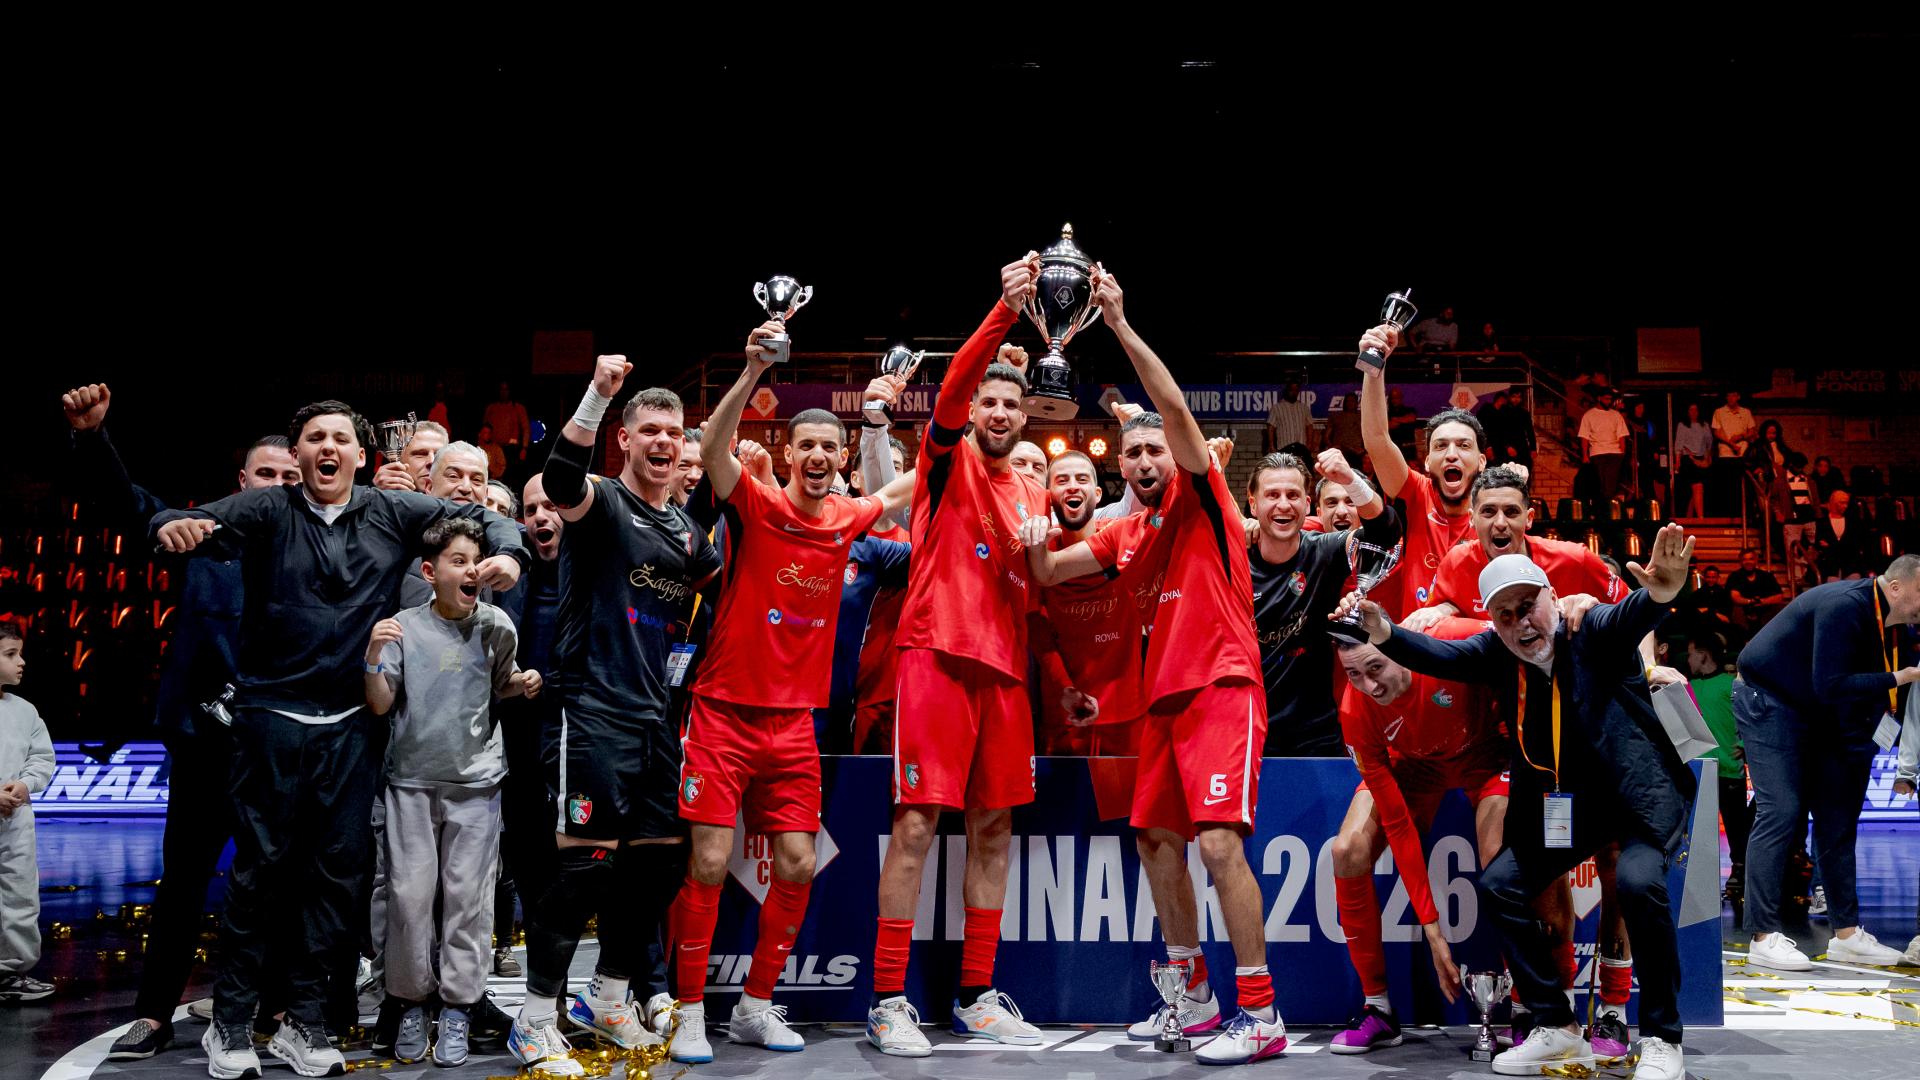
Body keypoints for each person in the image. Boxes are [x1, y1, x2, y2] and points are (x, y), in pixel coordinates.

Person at [151, 400, 527, 1080]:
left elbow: (485, 519)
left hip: (351, 725)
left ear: (361, 455)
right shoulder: (268, 509)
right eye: (315, 437)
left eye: (340, 438)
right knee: (259, 875)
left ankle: (306, 1019)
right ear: (298, 454)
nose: (328, 447)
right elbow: (178, 517)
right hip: (271, 718)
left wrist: (509, 554)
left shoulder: (391, 511)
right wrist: (166, 525)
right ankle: (231, 1021)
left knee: (335, 881)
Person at [1023, 263, 1288, 1066]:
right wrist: (1029, 526)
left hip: (1221, 685)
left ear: (1175, 454)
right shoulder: (1122, 534)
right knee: (1155, 842)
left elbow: (1171, 406)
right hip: (1162, 701)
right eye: (1130, 452)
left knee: (1218, 844)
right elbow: (1047, 571)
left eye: (1153, 449)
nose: (1142, 459)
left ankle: (1262, 1013)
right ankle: (1194, 999)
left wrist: (1119, 324)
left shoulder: (1204, 498)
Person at [1341, 526, 1701, 1080]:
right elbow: (1438, 654)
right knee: (1501, 884)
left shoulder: (1591, 629)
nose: (1521, 623)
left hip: (1637, 801)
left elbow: (1634, 614)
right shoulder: (1497, 651)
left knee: (1636, 883)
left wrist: (1663, 591)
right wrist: (1383, 631)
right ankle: (1557, 1025)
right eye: (1505, 615)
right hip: (1572, 808)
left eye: (1527, 606)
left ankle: (1661, 1037)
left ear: (1553, 598)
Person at [664, 333, 913, 1063]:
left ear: (840, 457)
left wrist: (911, 426)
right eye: (806, 445)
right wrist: (751, 369)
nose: (817, 456)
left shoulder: (848, 520)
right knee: (710, 862)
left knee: (800, 863)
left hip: (793, 724)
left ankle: (754, 1006)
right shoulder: (758, 502)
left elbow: (904, 488)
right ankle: (687, 1011)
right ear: (789, 450)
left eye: (828, 447)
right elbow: (714, 449)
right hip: (721, 712)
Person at [60, 386, 308, 1058]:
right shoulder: (205, 535)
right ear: (241, 483)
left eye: (289, 477)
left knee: (278, 885)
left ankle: (275, 1010)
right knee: (183, 884)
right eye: (265, 474)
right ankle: (154, 1014)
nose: (277, 485)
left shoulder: (317, 550)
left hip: (280, 746)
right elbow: (131, 506)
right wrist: (94, 438)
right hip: (205, 745)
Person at [506, 363, 720, 1077]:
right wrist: (598, 395)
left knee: (658, 865)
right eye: (649, 431)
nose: (663, 442)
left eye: (674, 433)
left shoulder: (686, 532)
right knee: (585, 868)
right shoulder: (600, 500)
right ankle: (535, 1020)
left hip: (657, 718)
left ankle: (609, 998)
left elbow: (723, 585)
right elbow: (560, 478)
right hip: (591, 709)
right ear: (624, 439)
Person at [865, 254, 1050, 1057]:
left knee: (994, 829)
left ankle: (975, 995)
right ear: (973, 408)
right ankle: (886, 1001)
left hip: (1004, 671)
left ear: (1026, 414)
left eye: (1013, 403)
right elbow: (945, 395)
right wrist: (1003, 311)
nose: (1000, 411)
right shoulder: (946, 460)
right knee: (915, 823)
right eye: (989, 401)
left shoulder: (1034, 491)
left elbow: (1040, 580)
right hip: (936, 654)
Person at [365, 518, 541, 1068]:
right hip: (411, 784)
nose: (470, 571)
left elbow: (501, 683)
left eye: (475, 561)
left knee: (468, 901)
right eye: (458, 561)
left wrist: (522, 683)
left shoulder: (497, 625)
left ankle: (460, 1008)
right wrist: (372, 655)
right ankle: (410, 1003)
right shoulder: (402, 627)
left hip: (476, 785)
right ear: (429, 571)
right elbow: (380, 702)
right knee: (409, 898)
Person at [1734, 556, 1920, 972]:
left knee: (1838, 818)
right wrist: (1899, 678)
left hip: (1817, 713)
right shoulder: (1846, 606)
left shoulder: (1897, 628)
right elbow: (1831, 684)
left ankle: (1847, 936)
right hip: (1768, 699)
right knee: (1781, 810)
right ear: (1895, 588)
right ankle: (1763, 936)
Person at [1326, 629, 1499, 1053]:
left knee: (1499, 851)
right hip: (1416, 767)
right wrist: (1433, 932)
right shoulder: (1356, 708)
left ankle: (1530, 1006)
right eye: (1354, 674)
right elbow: (1399, 825)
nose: (1370, 685)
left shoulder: (1449, 639)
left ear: (1398, 649)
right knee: (1347, 850)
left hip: (1486, 752)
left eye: (1375, 667)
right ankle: (1378, 1008)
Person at [1242, 449, 1401, 756]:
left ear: (1306, 504)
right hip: (1248, 728)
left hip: (1316, 735)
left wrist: (1351, 479)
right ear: (1253, 504)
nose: (1283, 504)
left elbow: (1386, 532)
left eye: (1292, 495)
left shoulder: (1326, 551)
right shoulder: (1232, 560)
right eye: (1272, 495)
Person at [1358, 323, 1494, 625]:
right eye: (1441, 446)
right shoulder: (1418, 492)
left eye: (1463, 445)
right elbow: (1377, 439)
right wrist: (1374, 367)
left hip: (1478, 649)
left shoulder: (1497, 513)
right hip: (1418, 650)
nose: (1452, 454)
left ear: (1482, 461)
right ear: (1428, 461)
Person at [1415, 466, 1626, 622]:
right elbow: (1435, 622)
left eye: (1511, 512)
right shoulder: (1455, 563)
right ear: (1472, 519)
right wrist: (1445, 609)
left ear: (1529, 518)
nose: (1500, 523)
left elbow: (1631, 611)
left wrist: (1595, 612)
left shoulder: (1575, 559)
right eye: (1488, 511)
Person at [0, 622, 54, 1005]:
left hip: (15, 821)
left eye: (20, 653)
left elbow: (41, 757)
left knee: (19, 896)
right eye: (10, 654)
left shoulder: (25, 711)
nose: (21, 662)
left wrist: (25, 784)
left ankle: (8, 974)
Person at [1685, 633, 1748, 905]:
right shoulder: (1687, 687)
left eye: (1691, 653)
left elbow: (1750, 716)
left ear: (1703, 655)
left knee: (1736, 829)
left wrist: (1744, 744)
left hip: (1728, 771)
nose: (1688, 659)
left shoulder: (1730, 685)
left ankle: (1741, 874)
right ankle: (1701, 881)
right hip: (1697, 772)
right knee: (1700, 833)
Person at [1578, 388, 1630, 502]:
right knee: (1600, 483)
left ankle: (1607, 506)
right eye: (1606, 399)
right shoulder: (1589, 415)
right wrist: (1585, 455)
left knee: (1611, 483)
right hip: (1597, 453)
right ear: (1599, 398)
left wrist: (1622, 452)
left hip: (1614, 453)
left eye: (1610, 399)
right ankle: (1602, 506)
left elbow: (1622, 435)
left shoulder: (1616, 415)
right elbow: (1584, 437)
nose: (1609, 402)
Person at [1710, 391, 1756, 516]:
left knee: (1742, 485)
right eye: (1729, 395)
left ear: (1738, 397)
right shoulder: (1719, 412)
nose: (1731, 398)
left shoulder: (1745, 412)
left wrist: (1741, 436)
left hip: (1742, 453)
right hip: (1725, 453)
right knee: (1727, 485)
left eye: (1734, 395)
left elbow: (1752, 431)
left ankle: (1743, 513)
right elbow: (1717, 432)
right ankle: (1728, 513)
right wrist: (1731, 444)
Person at [373, 421, 450, 494]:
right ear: (398, 462)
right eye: (420, 454)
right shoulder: (379, 497)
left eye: (439, 454)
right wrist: (378, 495)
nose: (432, 461)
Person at [1815, 489, 1868, 581]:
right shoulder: (1822, 522)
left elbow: (1855, 543)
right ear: (1833, 503)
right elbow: (1819, 543)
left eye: (1846, 503)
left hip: (1851, 566)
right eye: (1842, 503)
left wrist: (1831, 546)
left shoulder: (1852, 521)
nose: (1845, 506)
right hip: (1831, 568)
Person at [1727, 548, 1786, 630]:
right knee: (1737, 610)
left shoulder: (1767, 576)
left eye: (1751, 559)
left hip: (1764, 610)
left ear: (1756, 560)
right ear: (1740, 562)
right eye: (1745, 559)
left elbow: (1779, 596)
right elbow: (1735, 597)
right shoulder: (1735, 576)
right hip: (1744, 610)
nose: (1748, 562)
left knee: (1779, 607)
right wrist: (1750, 601)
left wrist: (1762, 601)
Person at [1673, 402, 1713, 518]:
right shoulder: (1682, 425)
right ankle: (1700, 517)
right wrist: (1677, 461)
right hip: (1688, 459)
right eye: (1691, 410)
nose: (1693, 412)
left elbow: (1709, 444)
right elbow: (1679, 444)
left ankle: (1691, 516)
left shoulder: (1704, 425)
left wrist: (1707, 459)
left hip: (1701, 459)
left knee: (1698, 490)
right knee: (1697, 486)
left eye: (1695, 410)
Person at [485, 381, 532, 465]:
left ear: (510, 391)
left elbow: (526, 428)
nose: (504, 392)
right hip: (494, 448)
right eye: (501, 389)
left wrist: (524, 448)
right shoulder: (491, 408)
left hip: (512, 450)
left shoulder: (518, 408)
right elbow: (485, 429)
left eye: (506, 389)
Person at [1265, 381, 1312, 455]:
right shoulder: (1277, 408)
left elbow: (1309, 426)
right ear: (1287, 390)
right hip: (1284, 448)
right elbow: (1271, 427)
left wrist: (1309, 444)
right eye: (1291, 390)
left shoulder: (1304, 407)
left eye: (1296, 390)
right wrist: (1271, 446)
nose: (1294, 392)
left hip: (1301, 448)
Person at [1326, 391, 1365, 463]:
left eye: (1352, 401)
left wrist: (1364, 449)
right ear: (1344, 403)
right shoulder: (1336, 416)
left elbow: (1368, 435)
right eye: (1348, 401)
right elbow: (1326, 436)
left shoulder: (1362, 416)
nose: (1350, 403)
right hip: (1340, 449)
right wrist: (1331, 447)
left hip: (1356, 451)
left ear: (1356, 403)